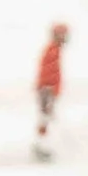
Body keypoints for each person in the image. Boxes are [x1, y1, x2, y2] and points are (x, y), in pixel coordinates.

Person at [32, 22, 67, 161]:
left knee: (46, 119)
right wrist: (48, 92)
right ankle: (40, 147)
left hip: (48, 91)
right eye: (63, 34)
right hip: (47, 91)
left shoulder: (55, 49)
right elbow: (48, 74)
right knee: (45, 119)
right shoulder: (52, 50)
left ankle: (42, 146)